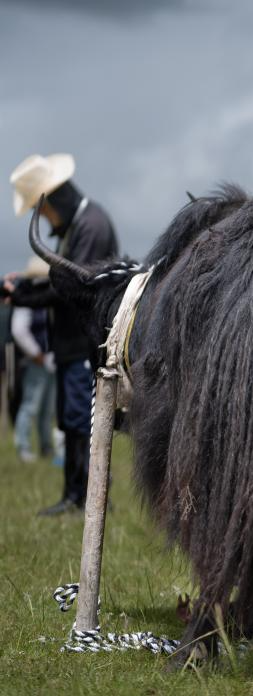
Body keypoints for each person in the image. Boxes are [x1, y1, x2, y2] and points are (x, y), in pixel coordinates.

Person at [5, 153, 119, 515]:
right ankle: (75, 494)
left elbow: (73, 286)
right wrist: (21, 290)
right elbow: (60, 282)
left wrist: (22, 295)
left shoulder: (92, 225)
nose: (46, 221)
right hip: (71, 345)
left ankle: (84, 497)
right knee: (71, 421)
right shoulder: (79, 226)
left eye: (44, 212)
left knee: (80, 422)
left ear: (54, 200)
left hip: (85, 344)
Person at [9, 257, 56, 462]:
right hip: (35, 361)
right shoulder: (27, 298)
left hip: (50, 360)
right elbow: (19, 331)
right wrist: (37, 354)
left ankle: (46, 447)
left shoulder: (46, 299)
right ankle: (23, 445)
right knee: (31, 405)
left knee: (47, 409)